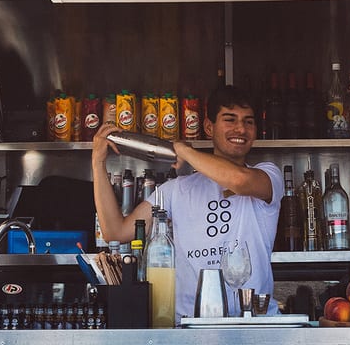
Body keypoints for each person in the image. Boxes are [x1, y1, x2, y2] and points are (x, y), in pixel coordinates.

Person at [91, 85, 283, 323]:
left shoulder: (268, 175)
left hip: (256, 324)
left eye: (249, 122)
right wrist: (98, 163)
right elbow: (116, 231)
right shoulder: (176, 189)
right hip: (192, 327)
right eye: (230, 119)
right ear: (209, 127)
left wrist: (184, 151)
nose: (241, 129)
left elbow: (239, 180)